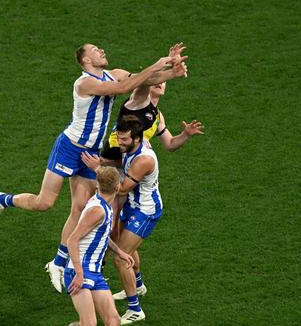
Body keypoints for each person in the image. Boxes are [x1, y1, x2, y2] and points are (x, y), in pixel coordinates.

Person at [0, 43, 188, 293]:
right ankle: (3, 199)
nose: (101, 50)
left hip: (90, 151)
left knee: (80, 208)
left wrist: (171, 71)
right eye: (94, 50)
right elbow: (124, 88)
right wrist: (160, 64)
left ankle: (58, 262)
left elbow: (139, 81)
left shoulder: (114, 73)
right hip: (69, 147)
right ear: (85, 61)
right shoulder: (84, 83)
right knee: (44, 202)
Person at [100, 77, 205, 300]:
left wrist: (185, 136)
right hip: (114, 165)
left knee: (112, 232)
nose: (160, 84)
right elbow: (146, 80)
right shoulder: (138, 101)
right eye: (158, 81)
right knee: (114, 232)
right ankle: (129, 280)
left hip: (123, 172)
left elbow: (170, 144)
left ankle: (102, 270)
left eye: (163, 83)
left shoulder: (157, 116)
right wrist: (169, 69)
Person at [82, 115, 183, 324]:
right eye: (119, 138)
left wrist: (97, 169)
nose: (120, 143)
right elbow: (122, 161)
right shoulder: (131, 148)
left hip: (145, 211)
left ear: (137, 139)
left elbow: (122, 187)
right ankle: (137, 285)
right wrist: (104, 161)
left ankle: (135, 309)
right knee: (125, 247)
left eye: (125, 140)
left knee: (120, 257)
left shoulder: (144, 159)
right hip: (132, 205)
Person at [64, 166, 134, 326]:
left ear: (98, 184)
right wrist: (79, 273)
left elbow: (100, 235)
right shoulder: (98, 210)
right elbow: (72, 240)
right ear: (117, 187)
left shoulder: (104, 205)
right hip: (79, 271)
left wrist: (120, 252)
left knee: (114, 320)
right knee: (89, 323)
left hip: (94, 271)